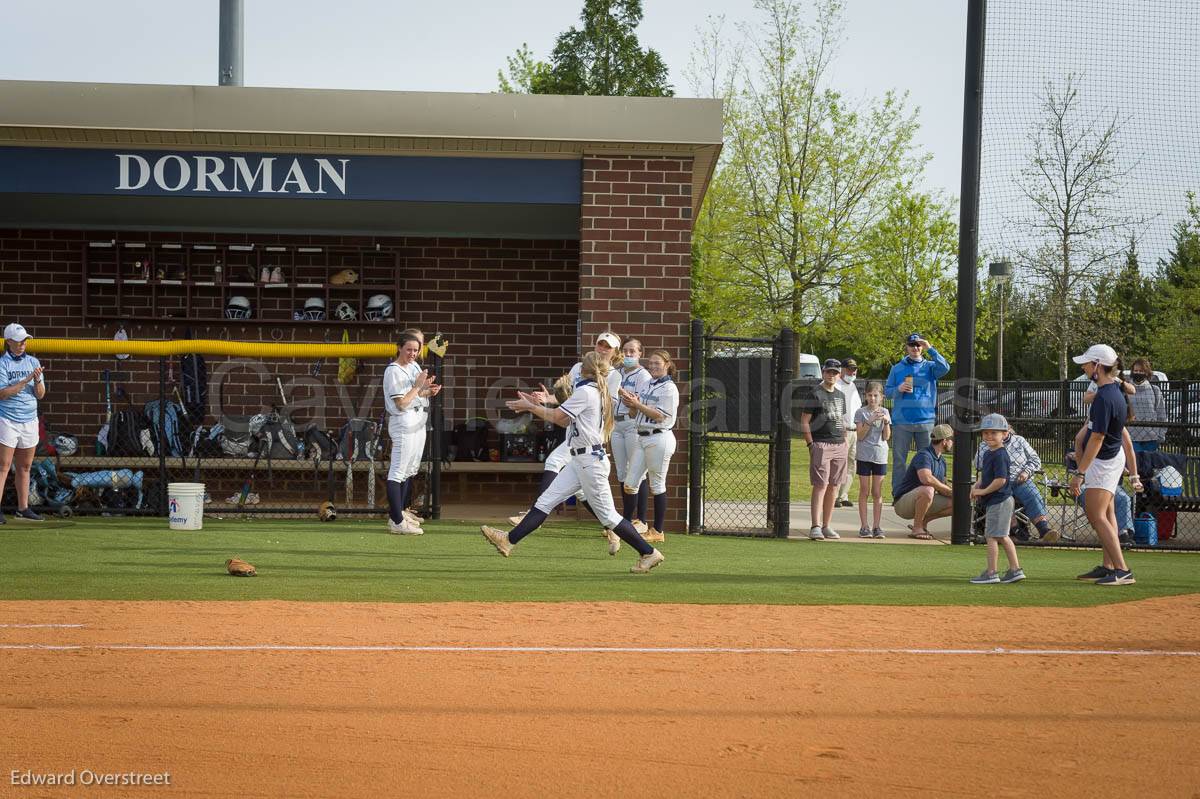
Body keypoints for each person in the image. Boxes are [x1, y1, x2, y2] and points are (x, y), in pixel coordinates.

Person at [481, 351, 663, 574]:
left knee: (609, 516)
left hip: (590, 461)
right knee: (546, 501)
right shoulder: (593, 390)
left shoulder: (587, 391)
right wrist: (541, 405)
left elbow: (558, 418)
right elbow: (564, 417)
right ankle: (508, 541)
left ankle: (648, 552)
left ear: (586, 370)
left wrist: (530, 408)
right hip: (581, 459)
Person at [507, 331, 627, 540]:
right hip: (575, 428)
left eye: (608, 346)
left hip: (591, 435)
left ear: (615, 352)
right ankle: (612, 530)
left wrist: (539, 407)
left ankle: (533, 515)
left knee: (554, 460)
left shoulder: (613, 376)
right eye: (601, 344)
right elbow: (566, 399)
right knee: (581, 492)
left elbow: (601, 405)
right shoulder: (580, 369)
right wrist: (548, 398)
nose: (602, 348)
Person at [1069, 344, 1140, 585]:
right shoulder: (1113, 393)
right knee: (1107, 513)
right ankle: (1110, 566)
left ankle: (1122, 569)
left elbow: (1097, 438)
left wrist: (1080, 472)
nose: (1084, 367)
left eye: (1088, 363)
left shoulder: (1104, 397)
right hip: (1110, 459)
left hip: (1104, 462)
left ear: (1098, 366)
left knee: (1095, 514)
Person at [619, 350, 680, 546]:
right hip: (642, 436)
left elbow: (660, 416)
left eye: (657, 363)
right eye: (651, 363)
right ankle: (628, 524)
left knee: (657, 485)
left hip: (659, 438)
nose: (653, 366)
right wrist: (631, 404)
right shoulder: (647, 384)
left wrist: (638, 404)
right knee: (630, 483)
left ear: (667, 364)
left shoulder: (669, 388)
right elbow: (633, 413)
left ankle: (658, 530)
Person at [383, 332, 441, 535]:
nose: (412, 353)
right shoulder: (393, 370)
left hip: (418, 420)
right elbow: (401, 404)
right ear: (399, 348)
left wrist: (427, 390)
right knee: (397, 472)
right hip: (404, 423)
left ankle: (398, 514)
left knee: (410, 470)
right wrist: (418, 387)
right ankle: (397, 521)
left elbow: (415, 395)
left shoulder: (414, 366)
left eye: (416, 350)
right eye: (408, 349)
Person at [884, 333, 951, 496]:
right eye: (912, 345)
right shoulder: (897, 368)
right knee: (900, 461)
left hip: (926, 422)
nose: (915, 348)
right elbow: (887, 392)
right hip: (902, 422)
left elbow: (946, 368)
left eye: (918, 345)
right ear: (906, 347)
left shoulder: (930, 366)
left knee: (930, 459)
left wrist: (931, 349)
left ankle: (932, 492)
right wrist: (898, 389)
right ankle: (898, 494)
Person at [973, 421, 1059, 543]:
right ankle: (1016, 530)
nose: (991, 435)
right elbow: (977, 465)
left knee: (1032, 495)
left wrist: (1026, 472)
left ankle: (1043, 529)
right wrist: (988, 448)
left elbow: (1035, 459)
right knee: (1003, 498)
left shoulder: (1019, 441)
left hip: (1019, 479)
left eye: (997, 431)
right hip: (997, 481)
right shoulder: (984, 445)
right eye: (988, 432)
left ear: (1007, 431)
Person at [0, 324, 47, 524]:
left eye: (24, 340)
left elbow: (41, 394)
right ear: (8, 342)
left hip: (29, 419)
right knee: (3, 466)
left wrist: (36, 381)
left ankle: (23, 508)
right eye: (18, 341)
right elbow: (2, 394)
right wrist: (25, 380)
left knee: (25, 466)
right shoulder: (3, 364)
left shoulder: (33, 361)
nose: (22, 344)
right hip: (8, 419)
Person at [969, 414, 1025, 584]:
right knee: (1001, 535)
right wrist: (976, 486)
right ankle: (1015, 569)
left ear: (1005, 434)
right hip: (999, 500)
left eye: (994, 433)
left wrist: (983, 491)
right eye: (986, 433)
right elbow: (987, 476)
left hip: (999, 499)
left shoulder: (1000, 454)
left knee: (992, 536)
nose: (989, 436)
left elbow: (1001, 480)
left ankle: (992, 572)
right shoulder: (988, 453)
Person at [801, 358, 849, 540]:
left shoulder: (840, 395)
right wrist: (811, 444)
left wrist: (844, 441)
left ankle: (827, 525)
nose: (832, 375)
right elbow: (805, 420)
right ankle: (816, 525)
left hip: (839, 444)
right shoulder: (815, 394)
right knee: (820, 485)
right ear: (823, 372)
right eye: (829, 372)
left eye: (835, 372)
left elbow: (841, 421)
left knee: (834, 486)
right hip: (821, 443)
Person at [612, 338, 652, 532]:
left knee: (636, 472)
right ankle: (625, 520)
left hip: (631, 424)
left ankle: (641, 519)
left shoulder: (643, 375)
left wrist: (619, 390)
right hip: (615, 425)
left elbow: (634, 402)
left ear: (639, 354)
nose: (628, 355)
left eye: (632, 352)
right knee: (621, 472)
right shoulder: (617, 372)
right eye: (625, 351)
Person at [892, 423, 955, 540]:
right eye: (951, 439)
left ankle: (923, 522)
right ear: (945, 441)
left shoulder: (942, 461)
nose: (953, 442)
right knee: (928, 489)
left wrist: (954, 493)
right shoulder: (924, 455)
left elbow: (942, 486)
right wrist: (947, 490)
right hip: (902, 504)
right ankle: (917, 528)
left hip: (923, 499)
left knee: (959, 503)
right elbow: (926, 478)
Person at [853, 381, 890, 538]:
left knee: (877, 491)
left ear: (881, 397)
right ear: (866, 396)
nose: (873, 399)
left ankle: (876, 526)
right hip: (864, 455)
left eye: (876, 396)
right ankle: (864, 526)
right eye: (870, 395)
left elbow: (886, 437)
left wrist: (887, 423)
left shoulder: (885, 411)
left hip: (880, 455)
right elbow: (860, 435)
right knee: (864, 490)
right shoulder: (861, 412)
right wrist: (869, 421)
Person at [834, 357, 862, 508]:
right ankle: (834, 496)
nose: (852, 372)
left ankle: (843, 495)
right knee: (839, 464)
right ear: (842, 369)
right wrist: (840, 428)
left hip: (854, 431)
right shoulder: (836, 385)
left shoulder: (853, 386)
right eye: (849, 369)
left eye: (854, 369)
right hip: (841, 431)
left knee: (852, 463)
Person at [1125, 357, 1167, 453]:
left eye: (1141, 371)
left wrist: (1160, 435)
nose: (1138, 373)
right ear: (1132, 371)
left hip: (1152, 438)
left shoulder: (1155, 390)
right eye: (1136, 370)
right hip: (1131, 437)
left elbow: (1161, 413)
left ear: (1147, 372)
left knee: (1149, 466)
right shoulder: (1126, 390)